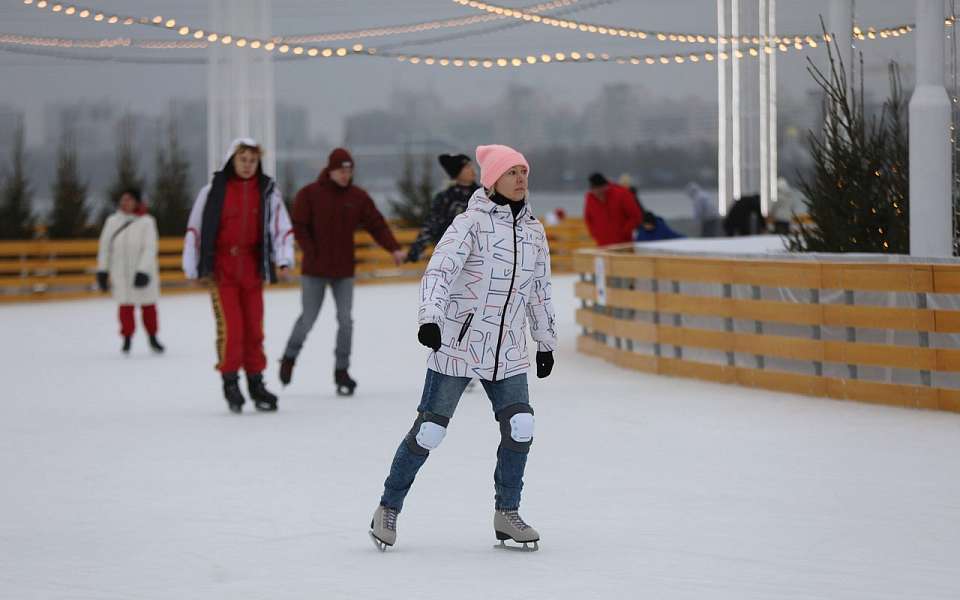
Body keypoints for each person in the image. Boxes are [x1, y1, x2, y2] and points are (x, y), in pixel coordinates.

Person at [369, 144, 557, 552]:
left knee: (521, 426)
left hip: (507, 348)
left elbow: (539, 290)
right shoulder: (468, 224)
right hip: (458, 343)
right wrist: (430, 318)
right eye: (512, 172)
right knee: (430, 430)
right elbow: (440, 272)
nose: (521, 177)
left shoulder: (533, 231)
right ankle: (388, 507)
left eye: (524, 170)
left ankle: (507, 511)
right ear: (492, 180)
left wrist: (544, 340)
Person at [278, 147, 404, 396]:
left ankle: (342, 370)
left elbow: (376, 224)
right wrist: (311, 251)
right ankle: (289, 358)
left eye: (349, 170)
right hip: (315, 270)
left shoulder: (357, 197)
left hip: (343, 271)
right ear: (330, 170)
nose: (346, 175)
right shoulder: (310, 194)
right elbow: (299, 226)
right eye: (341, 170)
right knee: (308, 319)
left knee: (346, 321)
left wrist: (394, 249)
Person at [182, 138, 294, 414]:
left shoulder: (267, 192)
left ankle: (256, 382)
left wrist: (283, 259)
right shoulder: (213, 192)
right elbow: (196, 228)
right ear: (232, 160)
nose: (247, 166)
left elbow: (281, 227)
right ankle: (230, 381)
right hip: (223, 270)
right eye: (242, 160)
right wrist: (192, 266)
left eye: (252, 161)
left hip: (252, 268)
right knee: (232, 329)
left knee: (254, 329)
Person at [96, 188, 164, 354]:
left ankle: (153, 337)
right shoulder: (112, 222)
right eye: (123, 199)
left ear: (136, 202)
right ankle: (126, 339)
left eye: (128, 199)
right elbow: (105, 247)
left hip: (142, 272)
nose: (125, 203)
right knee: (125, 308)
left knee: (148, 307)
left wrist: (142, 270)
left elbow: (150, 248)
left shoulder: (147, 222)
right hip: (121, 272)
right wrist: (102, 270)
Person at [405, 153, 479, 263]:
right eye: (467, 167)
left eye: (471, 166)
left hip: (479, 253)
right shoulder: (445, 198)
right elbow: (431, 225)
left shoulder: (483, 195)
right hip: (452, 254)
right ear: (457, 172)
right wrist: (415, 252)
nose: (472, 170)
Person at [583, 172, 642, 246]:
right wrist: (595, 234)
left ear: (605, 186)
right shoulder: (590, 198)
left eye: (600, 190)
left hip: (623, 244)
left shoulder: (622, 193)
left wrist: (624, 232)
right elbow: (588, 218)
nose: (598, 194)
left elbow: (635, 216)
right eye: (594, 190)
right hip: (603, 245)